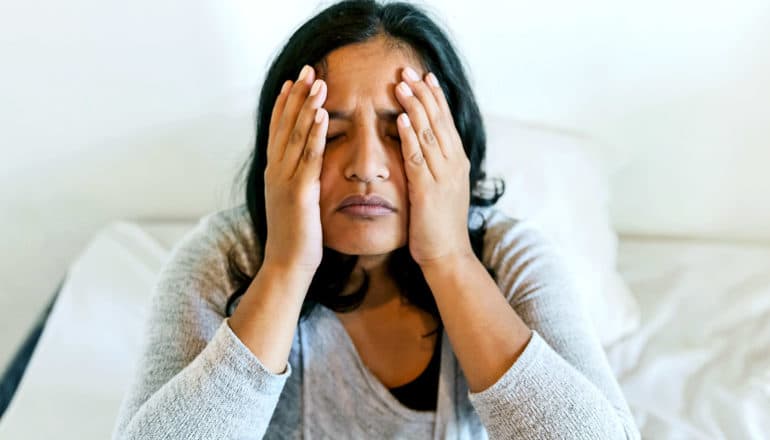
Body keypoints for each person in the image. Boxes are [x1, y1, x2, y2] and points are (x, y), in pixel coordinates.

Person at [112, 1, 641, 438]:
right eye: (332, 134)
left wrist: (451, 260)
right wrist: (286, 268)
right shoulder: (225, 261)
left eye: (400, 132)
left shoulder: (510, 260)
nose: (366, 168)